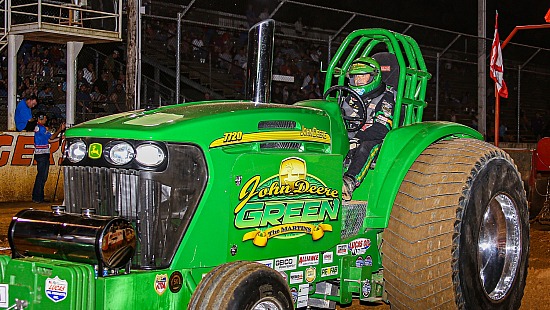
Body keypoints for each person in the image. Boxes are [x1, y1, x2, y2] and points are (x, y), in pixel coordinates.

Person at [342, 57, 396, 200]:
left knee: (367, 145)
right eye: (356, 76)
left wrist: (356, 138)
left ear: (374, 76)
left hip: (376, 140)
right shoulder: (350, 97)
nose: (359, 80)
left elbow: (381, 129)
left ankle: (349, 181)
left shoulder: (386, 98)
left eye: (363, 75)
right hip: (350, 137)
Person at [32, 113, 65, 203]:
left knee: (41, 176)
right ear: (41, 118)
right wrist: (59, 130)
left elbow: (49, 140)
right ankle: (37, 198)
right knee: (41, 177)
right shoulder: (42, 128)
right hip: (42, 155)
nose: (46, 120)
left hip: (41, 154)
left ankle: (38, 197)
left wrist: (60, 138)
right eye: (45, 118)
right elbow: (51, 137)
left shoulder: (39, 128)